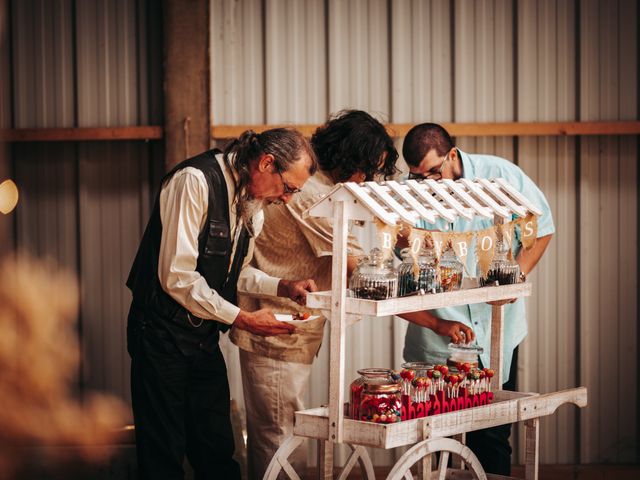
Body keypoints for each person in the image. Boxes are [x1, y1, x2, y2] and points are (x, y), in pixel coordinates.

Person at [230, 111, 475, 479]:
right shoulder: (316, 198)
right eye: (367, 169)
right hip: (275, 328)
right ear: (350, 159)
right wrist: (436, 321)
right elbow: (368, 279)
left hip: (291, 326)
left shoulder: (323, 190)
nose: (368, 179)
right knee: (278, 437)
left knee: (281, 430)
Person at [125, 128, 319, 480]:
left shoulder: (253, 204)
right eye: (288, 188)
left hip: (202, 339)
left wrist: (283, 286)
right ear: (266, 163)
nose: (288, 199)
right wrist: (242, 318)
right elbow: (177, 277)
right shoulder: (194, 182)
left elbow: (234, 275)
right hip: (159, 335)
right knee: (162, 455)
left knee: (216, 450)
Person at [401, 123, 554, 476]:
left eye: (434, 172)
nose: (428, 183)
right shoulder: (410, 194)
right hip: (438, 339)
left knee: (493, 434)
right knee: (436, 439)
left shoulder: (500, 176)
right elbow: (403, 267)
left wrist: (513, 279)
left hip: (497, 333)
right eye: (418, 177)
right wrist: (405, 245)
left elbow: (542, 227)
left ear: (452, 155)